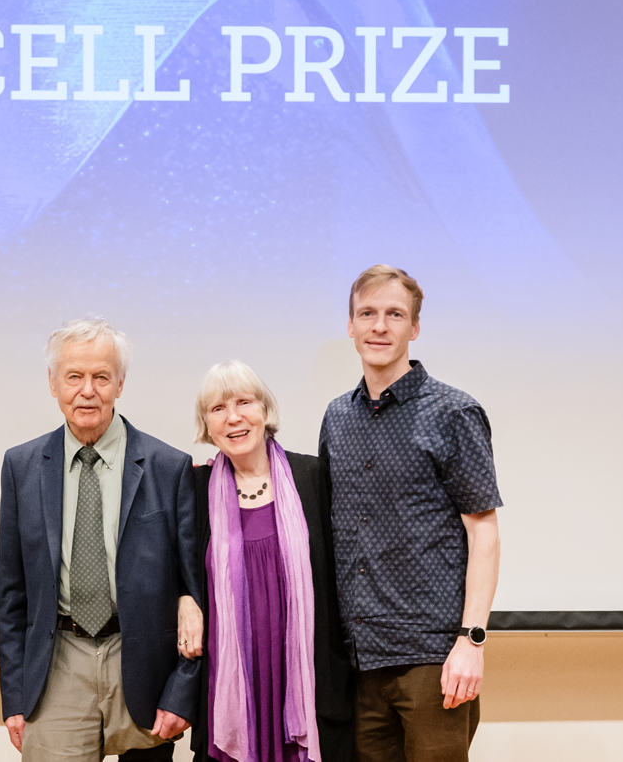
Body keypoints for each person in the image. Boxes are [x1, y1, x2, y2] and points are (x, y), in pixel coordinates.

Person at [0, 315, 202, 762]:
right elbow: (12, 596)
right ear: (53, 383)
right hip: (57, 663)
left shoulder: (169, 467)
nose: (87, 390)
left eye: (101, 377)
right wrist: (13, 697)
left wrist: (182, 692)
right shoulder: (21, 467)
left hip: (143, 665)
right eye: (74, 377)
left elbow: (196, 592)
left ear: (120, 384)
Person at [320, 265, 502, 762]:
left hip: (432, 659)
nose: (379, 326)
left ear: (415, 327)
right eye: (367, 314)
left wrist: (472, 641)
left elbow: (484, 532)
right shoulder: (337, 417)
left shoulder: (453, 413)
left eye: (395, 314)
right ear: (351, 325)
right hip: (360, 660)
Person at [178, 361, 354, 762]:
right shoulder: (194, 489)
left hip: (306, 682)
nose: (233, 417)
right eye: (218, 408)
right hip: (230, 683)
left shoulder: (313, 477)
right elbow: (174, 570)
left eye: (244, 402)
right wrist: (183, 599)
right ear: (207, 425)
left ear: (264, 409)